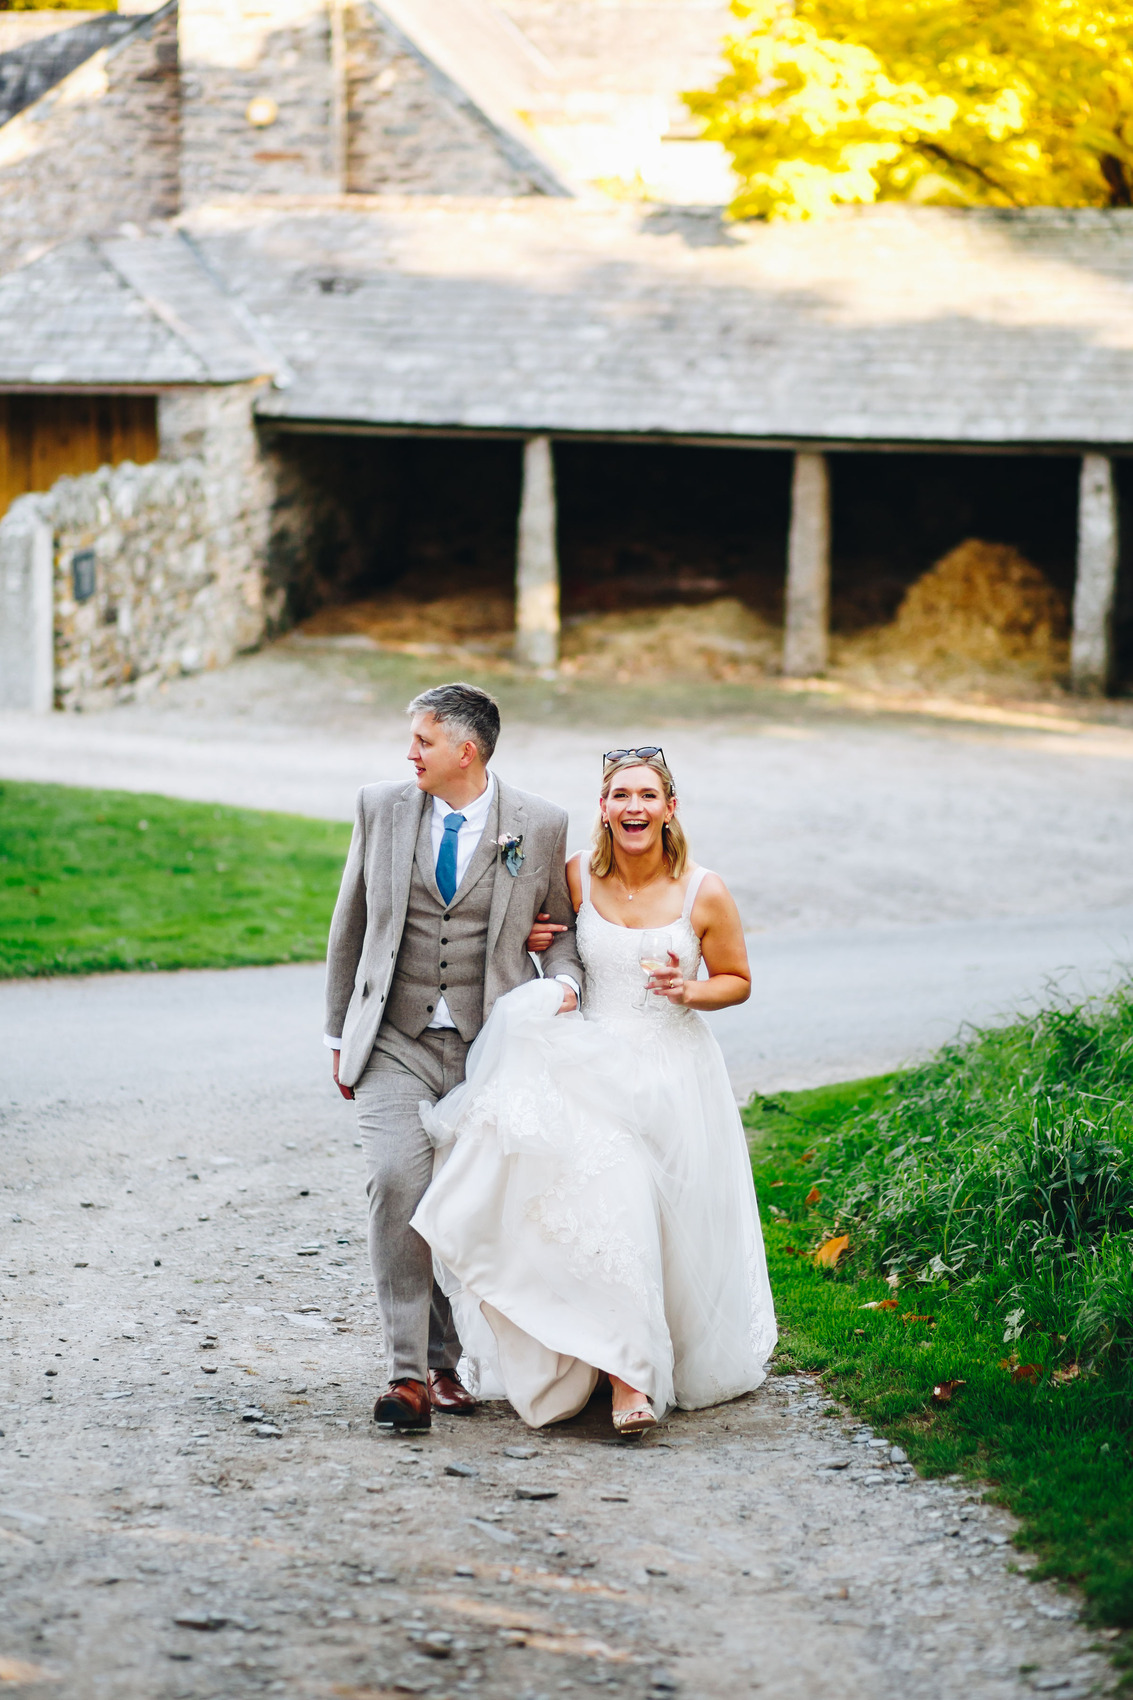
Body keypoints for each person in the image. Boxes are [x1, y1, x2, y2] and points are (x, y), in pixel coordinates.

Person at [412, 748, 776, 1434]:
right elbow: (546, 943)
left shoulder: (705, 890)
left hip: (670, 1071)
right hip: (585, 1068)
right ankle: (622, 1377)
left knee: (660, 1224)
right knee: (607, 1210)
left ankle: (636, 1360)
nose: (632, 808)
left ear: (669, 809)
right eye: (618, 796)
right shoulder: (576, 875)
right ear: (602, 809)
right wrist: (544, 939)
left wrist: (688, 989)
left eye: (646, 795)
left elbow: (737, 979)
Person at [324, 682, 584, 1432]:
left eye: (422, 741)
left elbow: (558, 930)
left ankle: (452, 1360)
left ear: (464, 751)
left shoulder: (538, 823)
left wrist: (561, 982)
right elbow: (351, 921)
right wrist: (339, 1036)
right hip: (394, 1039)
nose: (409, 753)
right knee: (396, 1183)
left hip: (489, 1045)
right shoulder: (380, 807)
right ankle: (410, 1374)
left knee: (471, 1206)